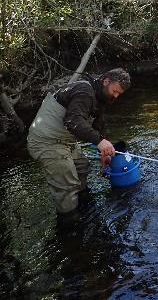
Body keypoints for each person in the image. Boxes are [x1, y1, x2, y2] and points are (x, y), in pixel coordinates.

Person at [27, 68, 131, 218]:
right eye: (115, 91)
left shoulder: (100, 97)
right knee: (67, 185)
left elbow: (98, 126)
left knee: (82, 167)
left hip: (64, 140)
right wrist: (99, 141)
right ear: (106, 81)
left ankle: (83, 206)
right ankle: (68, 221)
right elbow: (73, 121)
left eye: (119, 94)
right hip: (46, 141)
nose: (115, 96)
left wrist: (104, 151)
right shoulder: (84, 91)